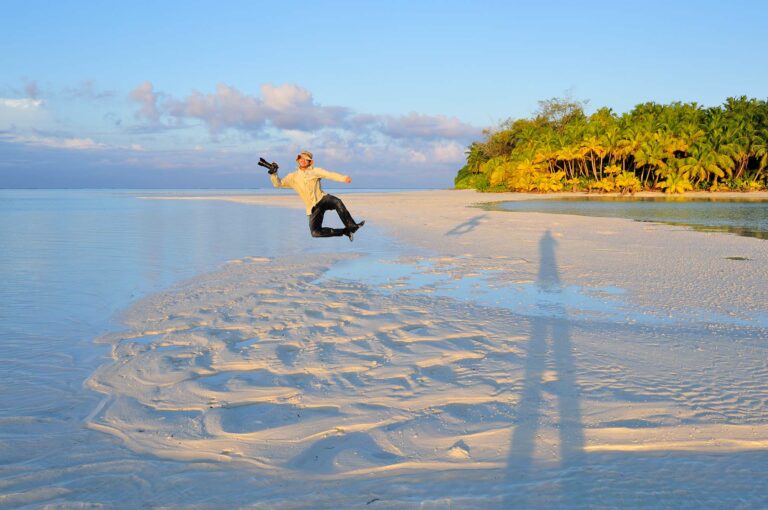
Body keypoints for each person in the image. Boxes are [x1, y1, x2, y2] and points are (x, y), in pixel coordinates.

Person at [268, 151, 364, 241]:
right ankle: (345, 231)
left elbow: (329, 174)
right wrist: (273, 174)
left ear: (310, 162)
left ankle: (352, 226)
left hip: (323, 199)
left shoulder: (315, 171)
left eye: (306, 159)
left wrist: (343, 178)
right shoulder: (293, 176)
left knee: (337, 202)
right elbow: (278, 184)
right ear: (298, 160)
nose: (303, 161)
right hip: (312, 207)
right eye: (301, 158)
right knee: (315, 233)